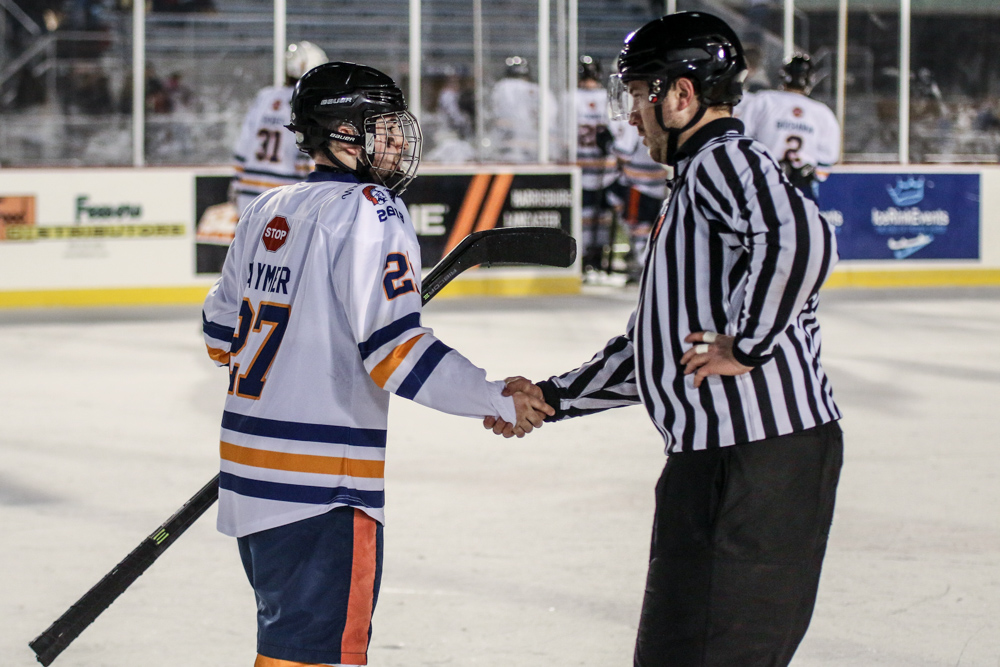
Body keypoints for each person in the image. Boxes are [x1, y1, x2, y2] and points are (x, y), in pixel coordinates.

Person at [487, 13, 843, 667]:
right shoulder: (702, 178)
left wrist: (748, 345)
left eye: (639, 95)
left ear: (681, 95)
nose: (631, 117)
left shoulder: (720, 161)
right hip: (727, 464)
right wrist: (550, 397)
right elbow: (657, 347)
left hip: (748, 463)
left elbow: (802, 238)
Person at [201, 61, 553, 667]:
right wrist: (496, 397)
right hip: (324, 492)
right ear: (341, 133)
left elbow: (217, 337)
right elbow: (395, 351)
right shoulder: (371, 208)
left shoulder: (265, 209)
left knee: (288, 651)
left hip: (251, 479)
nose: (396, 143)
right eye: (381, 128)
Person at [231, 41, 329, 215]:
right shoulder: (308, 103)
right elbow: (305, 160)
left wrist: (237, 183)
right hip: (285, 195)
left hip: (249, 192)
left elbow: (242, 147)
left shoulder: (265, 96)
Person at [737, 54, 841, 201]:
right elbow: (828, 159)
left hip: (763, 182)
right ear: (810, 79)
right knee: (802, 223)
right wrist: (808, 172)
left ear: (783, 76)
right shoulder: (822, 112)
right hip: (801, 188)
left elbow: (740, 139)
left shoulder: (763, 100)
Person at [575, 55, 625, 271]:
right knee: (602, 217)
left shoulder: (570, 97)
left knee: (584, 216)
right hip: (605, 167)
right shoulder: (608, 97)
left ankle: (585, 258)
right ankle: (597, 259)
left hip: (579, 167)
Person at [611, 121, 668, 282]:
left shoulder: (635, 120)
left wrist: (609, 145)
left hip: (638, 184)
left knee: (638, 227)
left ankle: (642, 265)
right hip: (662, 184)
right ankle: (646, 264)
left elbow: (624, 152)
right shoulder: (666, 116)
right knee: (652, 227)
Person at [488, 55, 557, 162]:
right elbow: (551, 121)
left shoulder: (501, 87)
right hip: (536, 146)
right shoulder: (541, 90)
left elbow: (494, 117)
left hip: (507, 145)